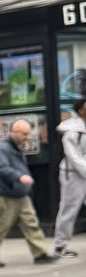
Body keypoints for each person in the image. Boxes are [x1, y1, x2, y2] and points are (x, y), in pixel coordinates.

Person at [0, 119, 58, 267]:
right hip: (7, 194)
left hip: (20, 193)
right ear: (14, 132)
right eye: (24, 134)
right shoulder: (3, 148)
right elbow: (1, 168)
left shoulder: (16, 147)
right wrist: (19, 177)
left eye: (28, 134)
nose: (27, 137)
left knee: (31, 223)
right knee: (1, 226)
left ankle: (40, 253)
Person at [53, 98, 86, 258]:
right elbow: (73, 156)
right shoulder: (72, 132)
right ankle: (60, 246)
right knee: (69, 209)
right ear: (81, 111)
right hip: (72, 174)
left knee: (69, 209)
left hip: (80, 172)